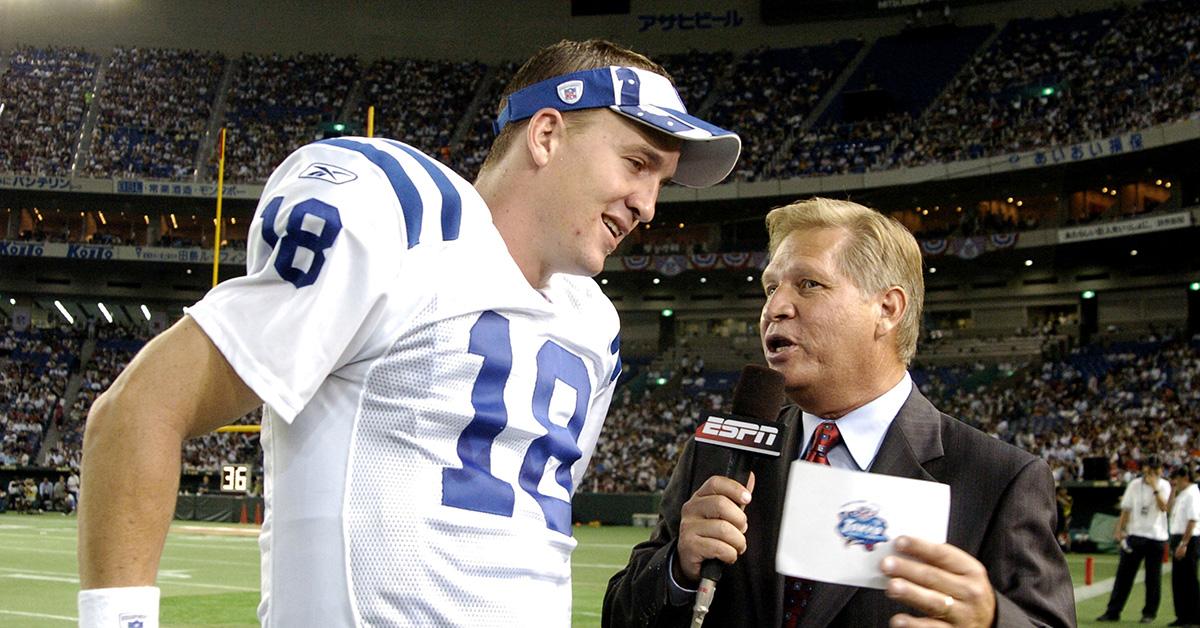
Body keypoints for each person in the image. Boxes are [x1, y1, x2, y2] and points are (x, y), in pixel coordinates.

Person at [76, 39, 741, 627]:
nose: (649, 204)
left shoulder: (595, 326)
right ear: (546, 134)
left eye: (661, 179)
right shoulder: (405, 217)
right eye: (637, 163)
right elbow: (139, 411)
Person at [603, 198, 1075, 628]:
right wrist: (678, 568)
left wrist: (991, 622)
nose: (774, 308)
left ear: (887, 309)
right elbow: (619, 616)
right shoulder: (718, 452)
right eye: (770, 288)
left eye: (809, 284)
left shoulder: (997, 478)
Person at [1097, 455, 1171, 623]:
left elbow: (1164, 507)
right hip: (1135, 535)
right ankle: (1113, 611)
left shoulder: (1164, 485)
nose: (1152, 472)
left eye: (1155, 469)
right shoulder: (1134, 485)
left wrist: (1154, 487)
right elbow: (1126, 509)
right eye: (1149, 468)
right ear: (1144, 468)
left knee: (1153, 578)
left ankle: (1149, 613)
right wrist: (1119, 529)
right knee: (1123, 576)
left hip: (1155, 537)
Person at [1168, 465, 1199, 627]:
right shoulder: (1183, 494)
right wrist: (1173, 490)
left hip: (1188, 539)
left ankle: (1192, 617)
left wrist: (1184, 544)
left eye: (1177, 479)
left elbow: (1192, 520)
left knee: (1188, 580)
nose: (1175, 482)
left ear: (1185, 478)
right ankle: (1182, 616)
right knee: (1178, 580)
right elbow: (1168, 509)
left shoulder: (1192, 494)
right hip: (1178, 537)